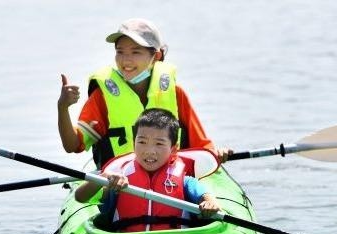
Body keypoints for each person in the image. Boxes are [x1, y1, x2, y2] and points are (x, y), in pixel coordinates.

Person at [57, 17, 233, 168]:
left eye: (136, 52)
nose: (126, 60)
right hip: (120, 185)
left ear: (155, 56)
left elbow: (202, 147)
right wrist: (63, 107)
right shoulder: (103, 96)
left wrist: (216, 154)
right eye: (120, 52)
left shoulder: (175, 93)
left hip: (173, 183)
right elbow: (73, 145)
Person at [75, 108, 221, 233]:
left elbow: (207, 198)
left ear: (173, 149)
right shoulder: (119, 180)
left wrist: (209, 203)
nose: (149, 151)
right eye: (142, 142)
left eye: (159, 144)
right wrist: (104, 177)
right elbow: (80, 197)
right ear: (134, 143)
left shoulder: (185, 181)